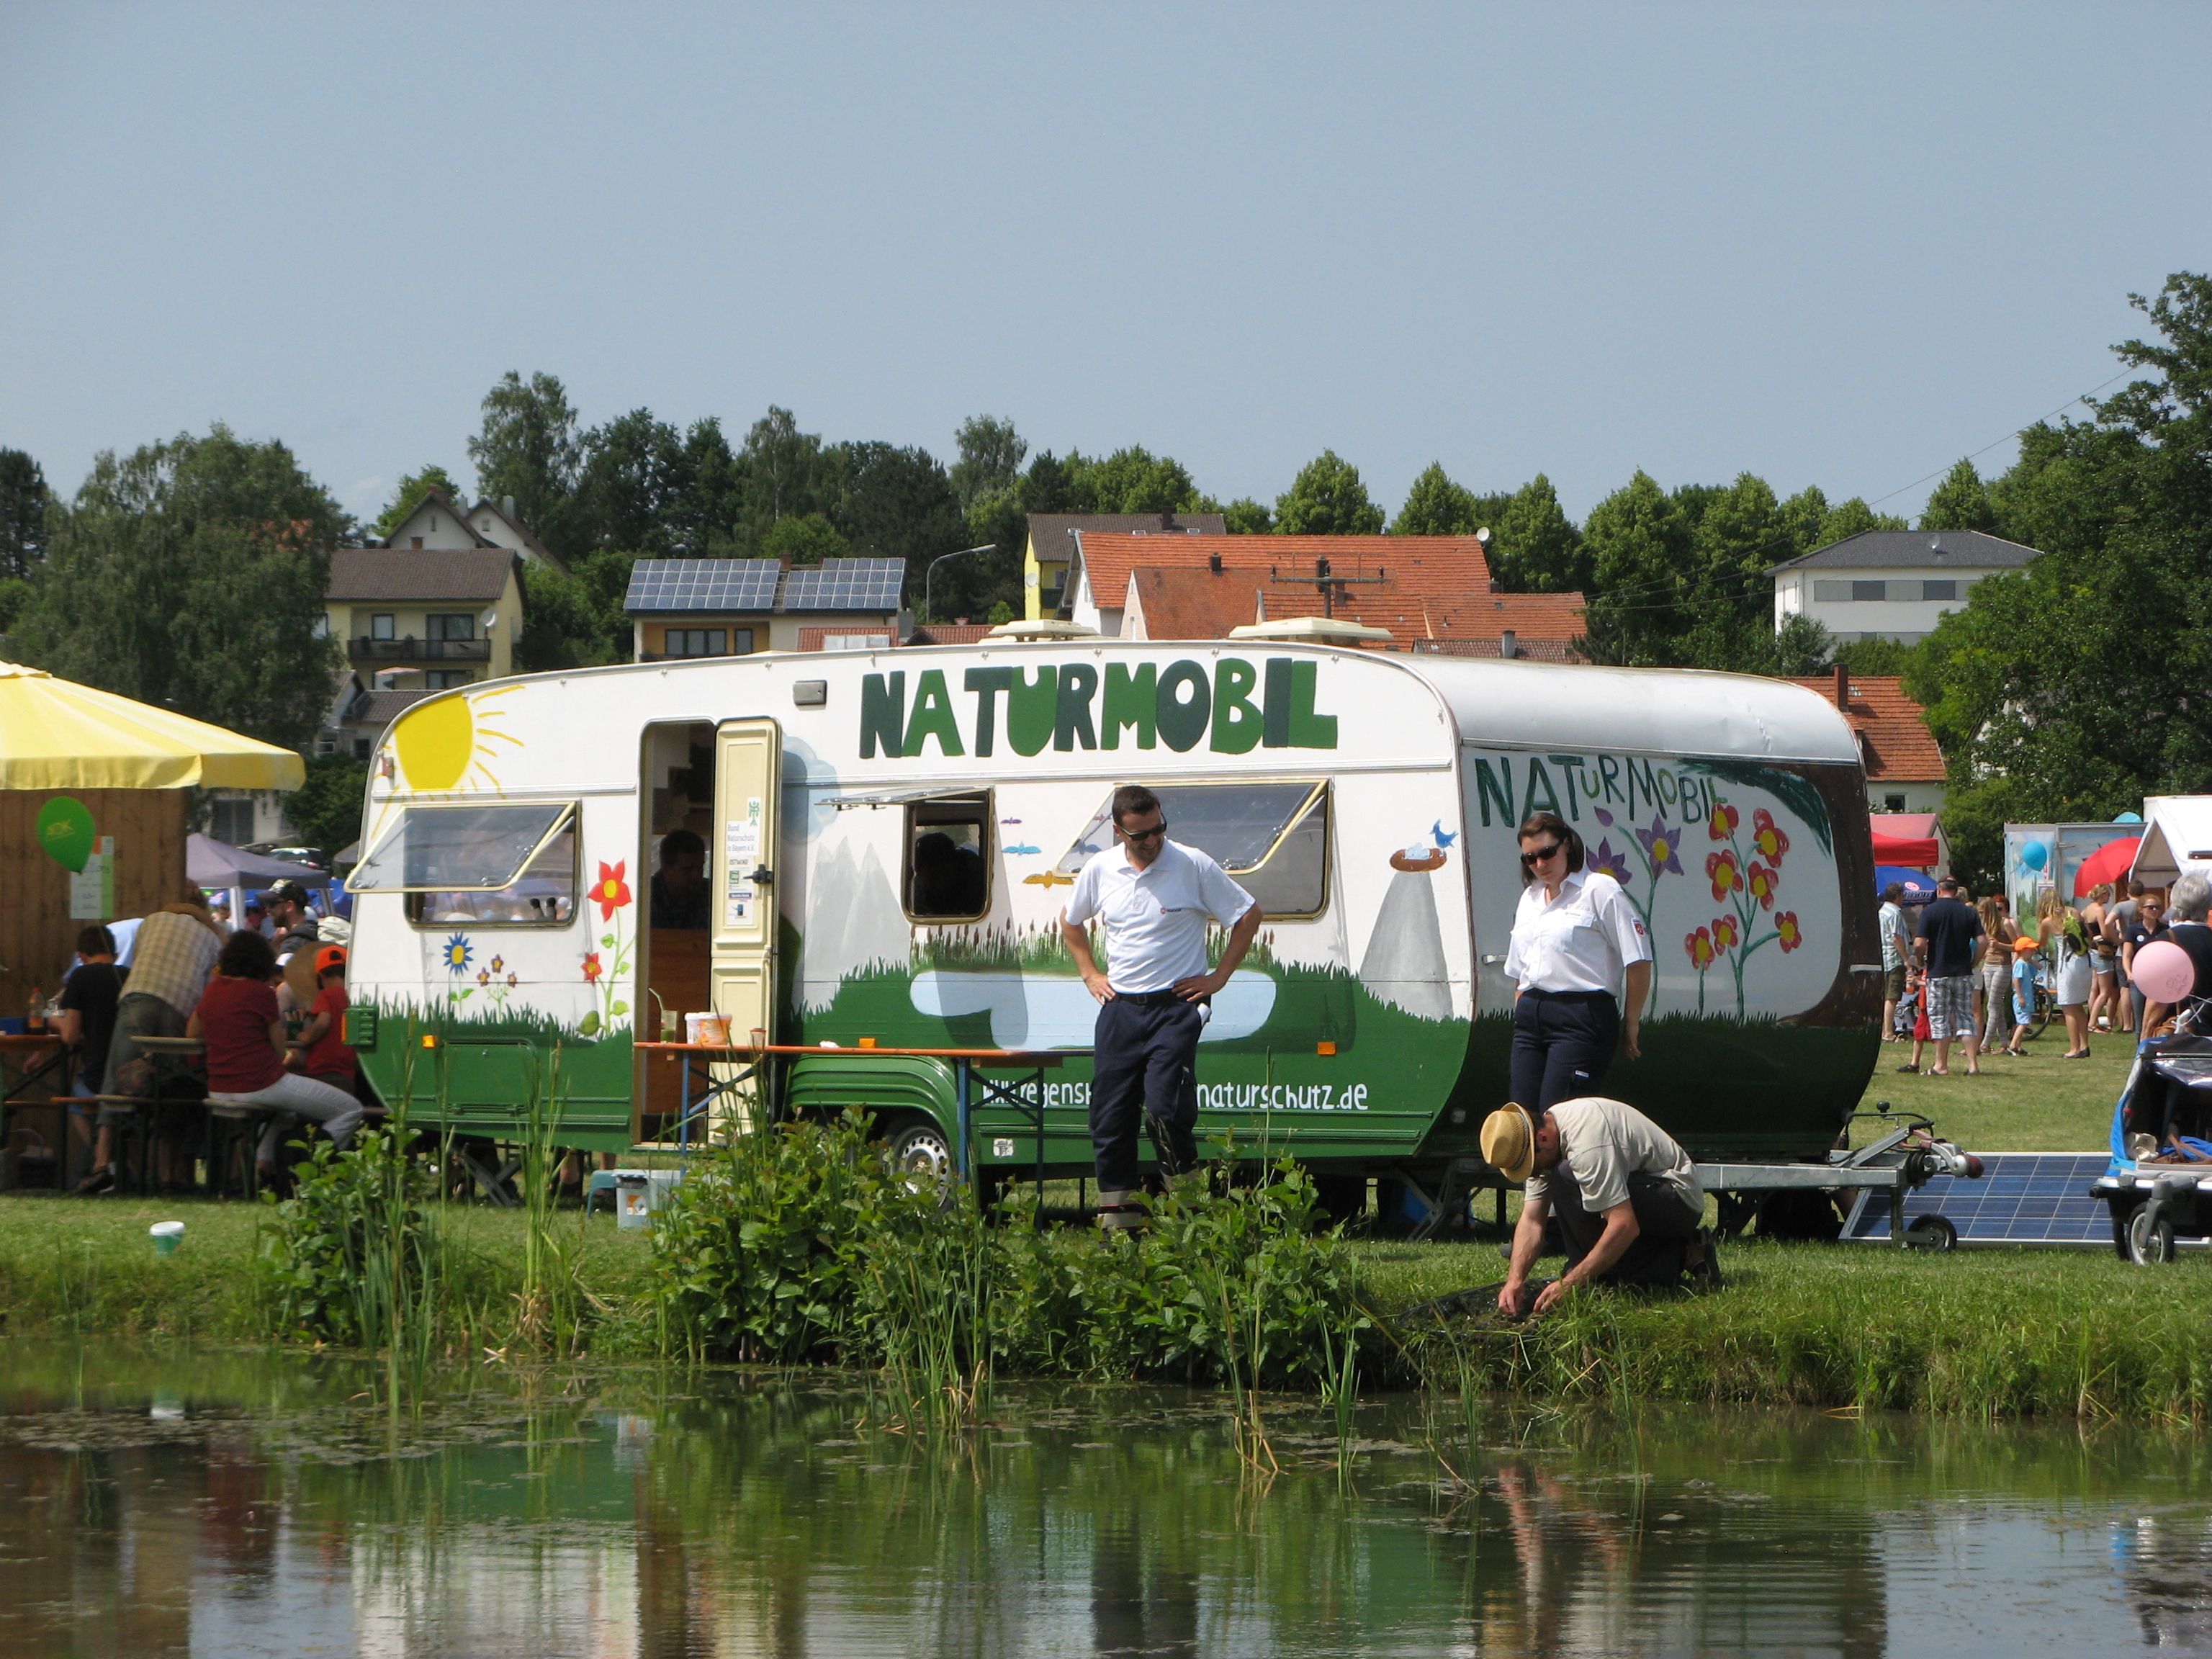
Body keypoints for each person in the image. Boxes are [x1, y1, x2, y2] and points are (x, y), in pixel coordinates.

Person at [1060, 784, 1264, 1232]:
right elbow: (1071, 923)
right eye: (1140, 836)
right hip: (1121, 1007)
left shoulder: (1192, 864)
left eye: (1158, 830)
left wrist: (1219, 977)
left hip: (1177, 1005)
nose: (1152, 841)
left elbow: (1248, 915)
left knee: (1166, 1112)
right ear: (1118, 832)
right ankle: (1119, 1229)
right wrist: (1090, 974)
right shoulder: (1100, 868)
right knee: (1110, 1117)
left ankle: (1190, 1223)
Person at [1483, 1097, 1714, 1316]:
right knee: (1604, 1272)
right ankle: (1684, 1253)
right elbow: (1532, 1221)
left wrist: (1573, 1282)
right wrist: (1515, 1280)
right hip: (1641, 1189)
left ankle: (1679, 1253)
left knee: (1565, 1177)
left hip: (1678, 1197)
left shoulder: (1587, 1144)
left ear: (1543, 1139)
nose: (1534, 1174)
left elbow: (1624, 1225)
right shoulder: (1543, 1140)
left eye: (1532, 1168)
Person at [1502, 810, 1653, 1113]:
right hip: (1532, 1015)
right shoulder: (1529, 898)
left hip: (1581, 1014)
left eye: (1546, 853)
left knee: (1560, 1119)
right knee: (1522, 1120)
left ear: (1566, 845)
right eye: (1530, 859)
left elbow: (1638, 959)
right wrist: (1523, 1011)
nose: (1540, 865)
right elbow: (1520, 969)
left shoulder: (1598, 889)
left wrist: (1632, 1022)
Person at [189, 929, 364, 1182]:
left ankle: (265, 1167)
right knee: (350, 1110)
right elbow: (279, 1049)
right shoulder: (262, 994)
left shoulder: (213, 990)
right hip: (261, 1083)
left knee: (284, 1115)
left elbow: (192, 1031)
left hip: (219, 1087)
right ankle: (314, 1163)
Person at [78, 886, 223, 1193]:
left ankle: (102, 1164)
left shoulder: (152, 921)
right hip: (179, 1006)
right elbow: (206, 984)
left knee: (115, 1080)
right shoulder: (211, 938)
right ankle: (171, 1174)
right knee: (172, 1087)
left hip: (139, 995)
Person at [56, 925, 123, 1187]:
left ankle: (102, 1160)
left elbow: (70, 1036)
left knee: (75, 1097)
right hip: (128, 1071)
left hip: (98, 1074)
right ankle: (113, 1162)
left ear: (81, 954)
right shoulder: (126, 975)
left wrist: (53, 1021)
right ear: (114, 952)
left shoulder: (81, 977)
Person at [1913, 878, 1984, 1076]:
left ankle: (1941, 1065)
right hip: (1963, 972)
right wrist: (1974, 961)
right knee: (1966, 1017)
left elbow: (1919, 943)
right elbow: (1983, 941)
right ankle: (1972, 1065)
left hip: (1938, 972)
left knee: (1940, 1019)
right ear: (1955, 891)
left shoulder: (1930, 912)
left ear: (1938, 890)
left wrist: (1920, 960)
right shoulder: (1969, 912)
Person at [2145, 873, 2212, 1038]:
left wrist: (2146, 1033)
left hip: (2176, 1032)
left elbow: (2157, 998)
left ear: (2175, 902)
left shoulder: (2166, 940)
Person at [289, 945, 359, 1096]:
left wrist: (306, 1037)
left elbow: (323, 1022)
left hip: (322, 1070)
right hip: (347, 1073)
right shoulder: (354, 998)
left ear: (321, 976)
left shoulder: (327, 995)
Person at [2038, 888, 2093, 1058]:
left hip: (2067, 965)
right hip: (2084, 961)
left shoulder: (2048, 921)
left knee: (2068, 1007)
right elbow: (2089, 935)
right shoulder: (2074, 912)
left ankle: (2074, 1048)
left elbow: (2041, 943)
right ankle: (2085, 1046)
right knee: (2078, 1007)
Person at [1975, 894, 2018, 1061]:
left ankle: (1985, 1042)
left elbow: (2017, 946)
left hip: (2002, 965)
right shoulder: (1985, 926)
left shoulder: (2005, 923)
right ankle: (2004, 1042)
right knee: (1996, 1006)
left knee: (1992, 1004)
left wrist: (2000, 945)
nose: (1980, 915)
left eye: (1982, 912)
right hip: (1989, 965)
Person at [2123, 889, 2170, 1035]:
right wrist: (2129, 972)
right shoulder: (2133, 930)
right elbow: (2127, 955)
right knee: (2140, 1018)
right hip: (2139, 978)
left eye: (2157, 907)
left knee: (2157, 1017)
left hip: (2159, 978)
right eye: (2150, 907)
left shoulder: (2165, 930)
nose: (2154, 910)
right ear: (2141, 910)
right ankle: (2140, 1050)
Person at [650, 828, 710, 929]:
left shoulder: (711, 894)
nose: (696, 876)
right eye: (688, 869)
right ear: (667, 869)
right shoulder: (647, 897)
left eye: (700, 868)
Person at [2110, 881, 2145, 1035]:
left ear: (2129, 891)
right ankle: (2142, 1021)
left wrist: (2117, 939)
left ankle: (2127, 1024)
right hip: (2143, 951)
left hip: (2123, 950)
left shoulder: (2121, 906)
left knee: (2125, 988)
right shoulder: (2145, 905)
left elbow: (2107, 922)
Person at [1878, 883, 1912, 1043]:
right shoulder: (1895, 914)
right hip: (1894, 958)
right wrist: (1906, 959)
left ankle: (1884, 1029)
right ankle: (1888, 1031)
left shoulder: (1881, 912)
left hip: (1883, 958)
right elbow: (1897, 937)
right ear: (1897, 896)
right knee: (1892, 997)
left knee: (1886, 997)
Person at [2085, 882, 2120, 1034]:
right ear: (2102, 894)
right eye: (2108, 894)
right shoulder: (2100, 911)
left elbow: (2087, 932)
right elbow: (2106, 933)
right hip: (2103, 951)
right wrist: (2118, 941)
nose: (2109, 897)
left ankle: (2092, 1019)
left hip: (2092, 948)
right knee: (2105, 991)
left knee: (2094, 988)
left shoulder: (2086, 911)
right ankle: (2093, 1023)